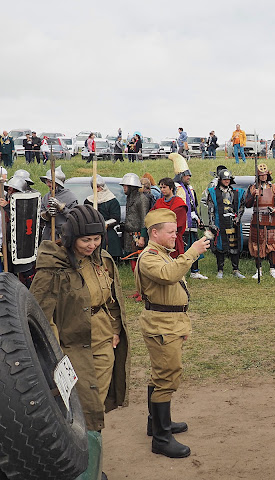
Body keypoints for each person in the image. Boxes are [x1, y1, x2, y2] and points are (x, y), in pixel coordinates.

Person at [31, 205, 129, 478]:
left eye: (97, 238)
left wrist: (115, 328)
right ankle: (82, 472)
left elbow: (112, 298)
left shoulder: (102, 260)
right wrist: (55, 356)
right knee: (81, 412)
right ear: (71, 236)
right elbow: (39, 315)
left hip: (103, 341)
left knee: (95, 409)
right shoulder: (53, 268)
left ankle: (92, 468)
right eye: (86, 239)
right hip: (71, 350)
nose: (92, 244)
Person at [135, 208, 210, 459]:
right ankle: (162, 438)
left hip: (170, 323)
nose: (174, 235)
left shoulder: (162, 253)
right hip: (162, 325)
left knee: (160, 374)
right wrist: (192, 252)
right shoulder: (149, 257)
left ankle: (155, 424)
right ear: (154, 233)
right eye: (170, 232)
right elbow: (170, 276)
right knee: (167, 376)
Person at [244, 163, 275, 279]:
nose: (263, 177)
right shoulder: (252, 188)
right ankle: (259, 270)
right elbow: (247, 204)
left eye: (265, 175)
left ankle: (272, 270)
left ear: (268, 175)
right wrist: (253, 195)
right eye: (261, 175)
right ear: (258, 176)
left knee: (272, 244)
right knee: (257, 243)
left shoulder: (274, 187)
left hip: (271, 218)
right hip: (257, 219)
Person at [171, 153, 206, 280]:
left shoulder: (190, 188)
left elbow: (194, 204)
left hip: (192, 222)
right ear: (181, 175)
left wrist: (197, 218)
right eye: (186, 175)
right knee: (182, 248)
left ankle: (195, 271)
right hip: (181, 223)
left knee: (194, 246)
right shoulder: (175, 188)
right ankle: (181, 271)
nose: (189, 177)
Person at [0, 175, 39, 286]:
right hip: (9, 246)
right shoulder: (7, 200)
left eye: (13, 189)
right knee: (10, 275)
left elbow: (21, 218)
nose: (10, 191)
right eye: (9, 189)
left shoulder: (26, 204)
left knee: (26, 274)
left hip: (23, 247)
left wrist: (8, 207)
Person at [207, 168, 246, 279]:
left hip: (233, 223)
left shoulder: (236, 193)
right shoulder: (213, 192)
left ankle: (236, 270)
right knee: (220, 247)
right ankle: (220, 270)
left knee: (235, 246)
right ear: (220, 180)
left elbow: (242, 206)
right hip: (220, 222)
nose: (226, 181)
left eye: (228, 179)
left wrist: (238, 217)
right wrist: (212, 223)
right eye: (224, 179)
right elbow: (210, 209)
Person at [85, 175, 123, 261]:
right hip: (92, 231)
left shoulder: (112, 200)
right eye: (95, 187)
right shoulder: (88, 201)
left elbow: (116, 218)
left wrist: (103, 224)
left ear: (102, 187)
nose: (97, 190)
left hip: (107, 231)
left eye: (98, 187)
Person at [40, 166, 79, 241]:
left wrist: (60, 207)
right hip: (48, 234)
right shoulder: (46, 197)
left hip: (63, 234)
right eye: (47, 181)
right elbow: (41, 215)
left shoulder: (70, 197)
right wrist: (47, 214)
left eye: (50, 182)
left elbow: (74, 217)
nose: (48, 184)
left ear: (58, 183)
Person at [153, 178, 188, 258]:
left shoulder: (179, 204)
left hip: (173, 239)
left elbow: (179, 225)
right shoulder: (158, 202)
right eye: (161, 187)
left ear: (171, 188)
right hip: (159, 240)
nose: (162, 190)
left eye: (164, 187)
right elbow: (152, 217)